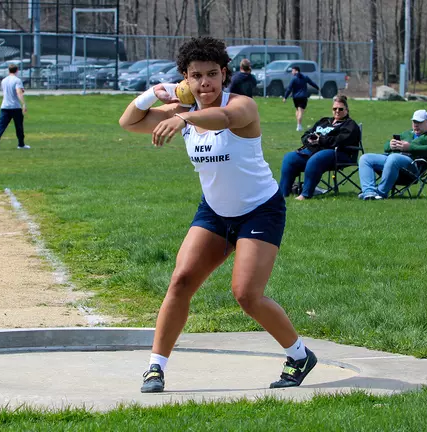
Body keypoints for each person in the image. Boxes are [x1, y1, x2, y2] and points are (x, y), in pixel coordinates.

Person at [118, 37, 317, 393]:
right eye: (196, 76)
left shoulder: (241, 105)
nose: (205, 83)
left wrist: (182, 116)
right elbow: (129, 122)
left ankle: (299, 356)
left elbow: (223, 119)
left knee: (246, 295)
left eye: (212, 74)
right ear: (185, 79)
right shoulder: (183, 110)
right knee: (181, 281)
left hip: (259, 210)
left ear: (224, 74)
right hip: (214, 211)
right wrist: (154, 94)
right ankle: (155, 367)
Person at [278, 95, 361, 201]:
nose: (337, 111)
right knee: (290, 158)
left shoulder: (350, 125)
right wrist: (309, 139)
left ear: (346, 110)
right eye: (334, 109)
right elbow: (306, 134)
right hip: (314, 151)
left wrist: (321, 140)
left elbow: (340, 141)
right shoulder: (324, 121)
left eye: (340, 109)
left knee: (316, 159)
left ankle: (305, 194)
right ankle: (282, 194)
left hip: (338, 153)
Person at [358, 109, 427, 200]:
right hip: (392, 160)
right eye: (414, 122)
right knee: (365, 158)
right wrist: (390, 145)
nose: (416, 125)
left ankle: (380, 193)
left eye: (419, 122)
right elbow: (386, 147)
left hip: (413, 166)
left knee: (393, 158)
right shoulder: (407, 134)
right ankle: (369, 192)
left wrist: (409, 147)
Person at [0, 63, 29, 150]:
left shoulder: (4, 80)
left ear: (9, 70)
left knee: (1, 125)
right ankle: (21, 144)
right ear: (17, 71)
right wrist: (23, 103)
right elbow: (18, 92)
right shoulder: (17, 80)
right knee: (19, 126)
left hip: (5, 106)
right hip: (15, 107)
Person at [282, 66, 319, 132]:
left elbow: (289, 89)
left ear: (296, 71)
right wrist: (318, 88)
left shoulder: (294, 79)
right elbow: (312, 83)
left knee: (297, 110)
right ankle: (299, 126)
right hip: (303, 97)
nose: (292, 72)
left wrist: (285, 97)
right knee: (301, 111)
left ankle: (298, 125)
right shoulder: (305, 77)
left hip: (295, 98)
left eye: (292, 70)